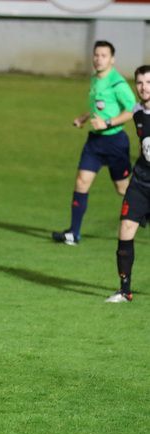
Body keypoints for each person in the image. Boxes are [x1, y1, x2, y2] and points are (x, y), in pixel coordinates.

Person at [52, 40, 136, 245]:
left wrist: (107, 123)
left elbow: (132, 110)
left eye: (103, 56)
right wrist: (84, 117)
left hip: (115, 142)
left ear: (112, 59)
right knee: (81, 181)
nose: (99, 59)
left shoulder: (118, 83)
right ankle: (74, 233)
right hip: (95, 142)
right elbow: (98, 107)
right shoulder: (95, 79)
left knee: (122, 189)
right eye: (96, 55)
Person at [106, 65, 150, 303]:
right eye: (140, 83)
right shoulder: (137, 111)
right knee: (125, 229)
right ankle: (124, 290)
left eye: (149, 82)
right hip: (141, 181)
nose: (144, 87)